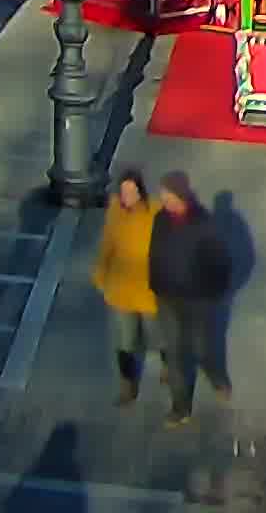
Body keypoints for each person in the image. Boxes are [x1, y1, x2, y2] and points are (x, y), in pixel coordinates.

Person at [146, 172, 233, 424]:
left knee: (202, 347)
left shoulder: (204, 224)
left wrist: (214, 293)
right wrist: (155, 285)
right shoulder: (161, 219)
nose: (163, 200)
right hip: (168, 299)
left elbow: (220, 263)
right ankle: (180, 406)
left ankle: (217, 377)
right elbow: (154, 253)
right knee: (174, 352)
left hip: (198, 301)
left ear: (181, 196)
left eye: (167, 196)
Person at [94, 170, 160, 405]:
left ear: (141, 192)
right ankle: (128, 386)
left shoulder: (155, 213)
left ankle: (169, 367)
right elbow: (107, 246)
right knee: (126, 341)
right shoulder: (115, 213)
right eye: (124, 192)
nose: (127, 196)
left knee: (156, 336)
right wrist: (101, 276)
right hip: (121, 290)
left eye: (132, 192)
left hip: (149, 290)